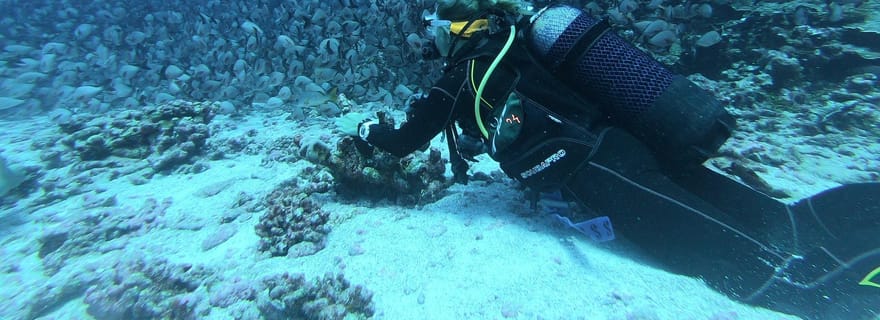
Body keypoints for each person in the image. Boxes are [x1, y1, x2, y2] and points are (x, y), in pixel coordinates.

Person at [335, 0, 880, 318]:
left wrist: (362, 132)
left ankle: (844, 297)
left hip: (603, 173)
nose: (432, 40)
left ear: (459, 28)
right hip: (632, 140)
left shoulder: (463, 76)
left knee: (753, 276)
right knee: (783, 224)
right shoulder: (520, 47)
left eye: (436, 28)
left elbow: (405, 140)